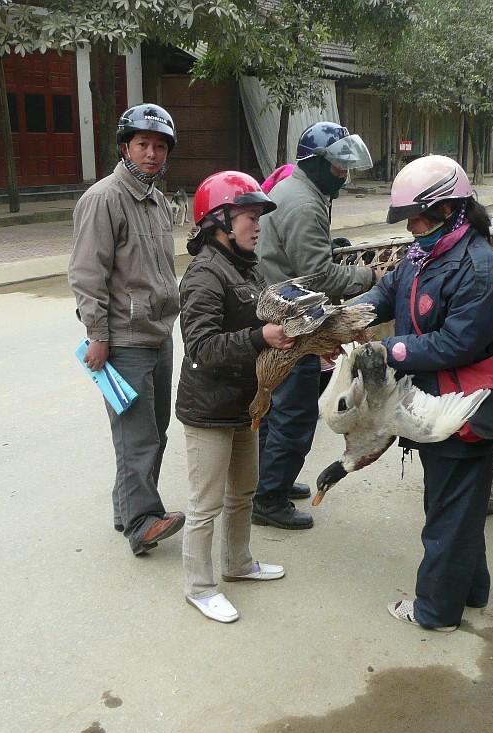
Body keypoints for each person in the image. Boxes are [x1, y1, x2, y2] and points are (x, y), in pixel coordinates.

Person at [352, 155, 493, 632]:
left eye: (423, 217)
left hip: (465, 410)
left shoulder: (479, 269)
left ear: (454, 210)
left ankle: (435, 612)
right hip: (433, 406)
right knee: (455, 507)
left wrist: (385, 349)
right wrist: (343, 318)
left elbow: (455, 343)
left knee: (447, 513)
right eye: (410, 219)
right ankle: (473, 591)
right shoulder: (422, 257)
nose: (414, 227)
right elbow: (385, 294)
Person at [68, 103, 184, 556]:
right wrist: (98, 335)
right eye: (142, 145)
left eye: (159, 147)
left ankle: (125, 507)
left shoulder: (156, 201)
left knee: (156, 428)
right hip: (123, 340)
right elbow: (86, 274)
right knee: (138, 436)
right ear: (124, 147)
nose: (151, 154)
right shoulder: (103, 198)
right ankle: (142, 522)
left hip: (158, 332)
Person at [176, 171, 291, 623]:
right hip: (208, 409)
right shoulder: (205, 274)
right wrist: (261, 336)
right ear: (219, 220)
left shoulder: (246, 266)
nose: (258, 224)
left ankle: (238, 564)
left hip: (246, 403)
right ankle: (199, 587)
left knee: (243, 491)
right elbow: (202, 348)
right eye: (249, 216)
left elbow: (263, 314)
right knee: (205, 504)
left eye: (259, 215)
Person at [252, 120, 379, 530]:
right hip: (291, 323)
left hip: (279, 311)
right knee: (293, 415)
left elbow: (303, 253)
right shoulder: (305, 203)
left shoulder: (302, 189)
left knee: (272, 410)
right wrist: (368, 278)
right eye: (338, 166)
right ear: (317, 164)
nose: (344, 174)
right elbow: (318, 276)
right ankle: (268, 498)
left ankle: (269, 481)